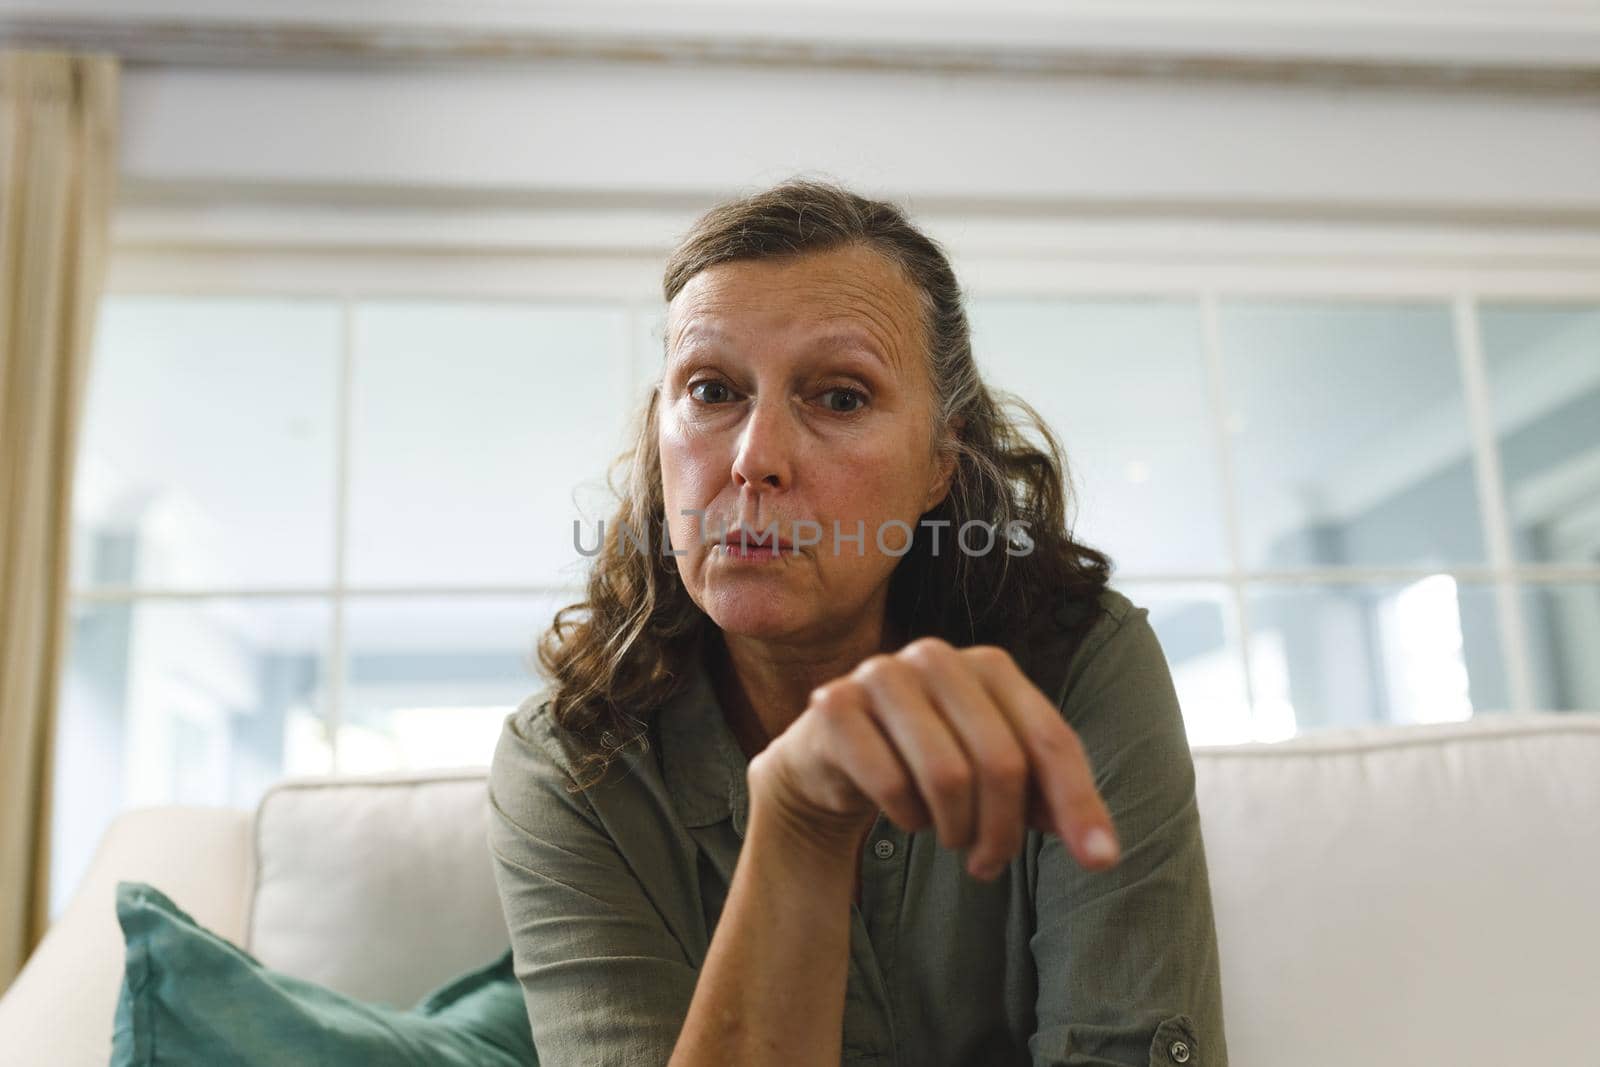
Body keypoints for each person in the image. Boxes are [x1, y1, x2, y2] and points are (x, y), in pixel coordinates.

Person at [487, 176, 1229, 1066]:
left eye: (839, 397)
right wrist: (798, 826)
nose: (755, 459)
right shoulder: (574, 758)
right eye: (713, 390)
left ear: (939, 461)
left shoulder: (1077, 668)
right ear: (660, 437)